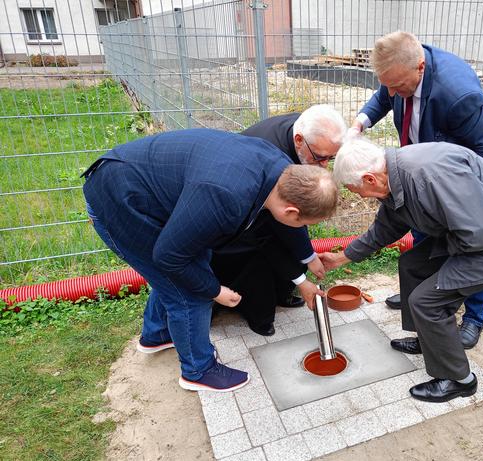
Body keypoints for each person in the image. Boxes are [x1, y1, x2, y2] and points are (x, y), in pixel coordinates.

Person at [83, 129, 338, 392]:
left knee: (193, 261)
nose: (303, 228)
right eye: (306, 224)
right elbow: (169, 257)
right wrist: (215, 290)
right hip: (120, 199)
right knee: (187, 289)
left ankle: (157, 334)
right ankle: (198, 370)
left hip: (141, 185)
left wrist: (305, 260)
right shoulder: (226, 196)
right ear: (292, 211)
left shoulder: (281, 171)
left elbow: (286, 226)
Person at [320, 138, 483, 403]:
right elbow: (386, 228)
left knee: (426, 300)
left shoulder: (428, 176)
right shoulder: (394, 179)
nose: (359, 196)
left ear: (370, 179)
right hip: (477, 234)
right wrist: (342, 257)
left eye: (356, 190)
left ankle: (459, 380)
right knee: (413, 265)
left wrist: (447, 256)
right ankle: (430, 341)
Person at [349, 31, 483, 349]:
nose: (393, 93)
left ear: (420, 68)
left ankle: (474, 318)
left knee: (476, 246)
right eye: (389, 85)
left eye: (398, 86)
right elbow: (383, 97)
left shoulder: (459, 95)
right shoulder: (397, 74)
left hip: (460, 182)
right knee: (423, 237)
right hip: (418, 172)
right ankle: (423, 298)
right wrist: (360, 123)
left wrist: (482, 209)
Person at [210, 105, 347, 336]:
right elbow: (269, 231)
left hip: (267, 209)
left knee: (294, 243)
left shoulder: (308, 130)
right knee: (258, 267)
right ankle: (256, 315)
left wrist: (308, 255)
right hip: (237, 223)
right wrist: (303, 277)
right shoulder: (278, 161)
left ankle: (283, 292)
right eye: (320, 158)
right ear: (299, 140)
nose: (324, 166)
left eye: (330, 158)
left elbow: (293, 221)